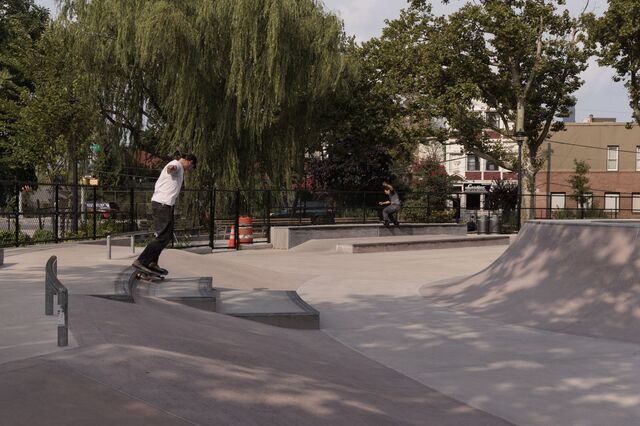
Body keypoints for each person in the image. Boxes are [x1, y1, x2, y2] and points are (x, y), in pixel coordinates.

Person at [132, 152, 197, 276]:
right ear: (189, 161)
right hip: (162, 205)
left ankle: (152, 262)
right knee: (163, 236)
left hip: (164, 204)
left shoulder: (178, 167)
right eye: (191, 167)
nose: (189, 170)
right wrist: (171, 168)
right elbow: (171, 169)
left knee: (164, 235)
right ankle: (141, 260)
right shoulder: (176, 164)